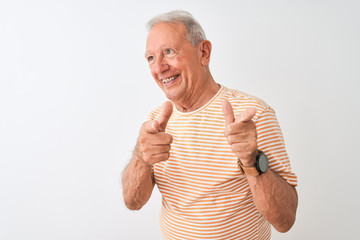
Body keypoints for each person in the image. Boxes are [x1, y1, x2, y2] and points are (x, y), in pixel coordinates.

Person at [122, 10, 298, 239]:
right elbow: (132, 202)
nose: (159, 67)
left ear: (203, 53)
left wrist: (251, 159)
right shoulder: (157, 120)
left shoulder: (252, 114)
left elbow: (285, 220)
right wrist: (140, 157)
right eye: (151, 58)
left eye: (169, 52)